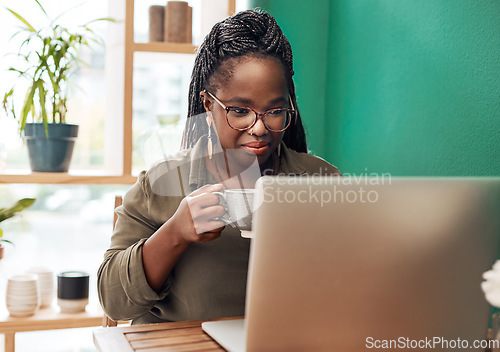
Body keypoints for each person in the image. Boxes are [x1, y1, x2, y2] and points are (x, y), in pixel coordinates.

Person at [97, 9, 341, 325]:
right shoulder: (162, 183)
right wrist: (175, 233)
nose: (259, 128)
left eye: (275, 111)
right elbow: (113, 303)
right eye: (240, 110)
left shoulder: (323, 181)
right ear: (208, 105)